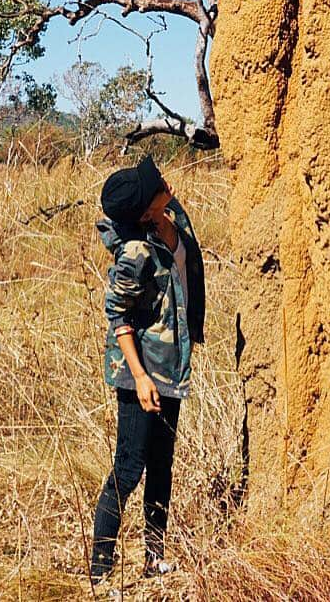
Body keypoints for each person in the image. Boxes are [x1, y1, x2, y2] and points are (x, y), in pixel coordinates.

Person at [89, 153, 206, 590]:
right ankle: (101, 564)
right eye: (155, 183)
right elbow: (117, 314)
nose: (162, 180)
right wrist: (139, 378)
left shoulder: (171, 215)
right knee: (129, 466)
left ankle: (154, 557)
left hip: (171, 366)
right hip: (139, 372)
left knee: (162, 464)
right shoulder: (135, 252)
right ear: (143, 210)